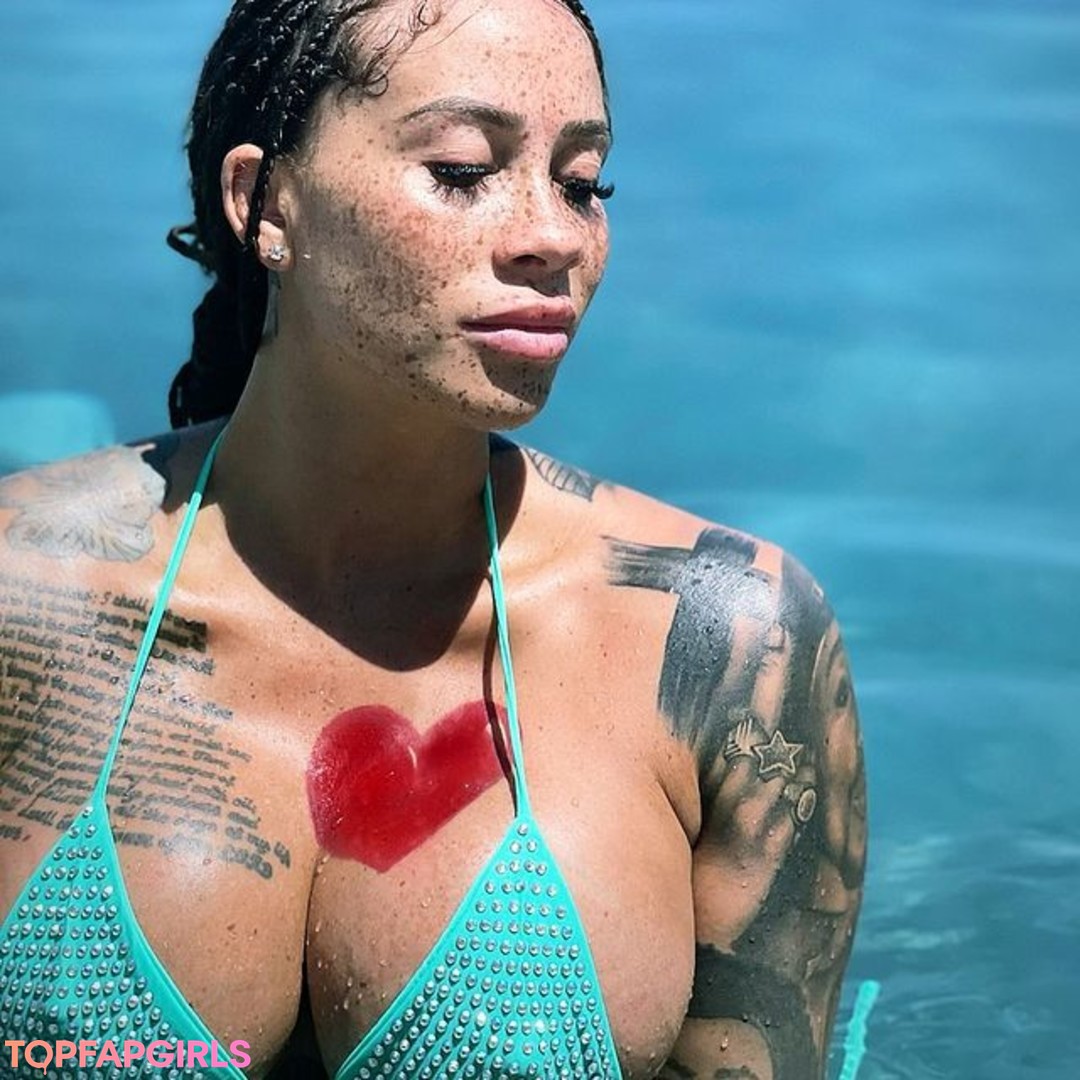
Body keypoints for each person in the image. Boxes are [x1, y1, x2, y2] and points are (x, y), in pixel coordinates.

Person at [0, 1, 867, 1077]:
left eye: (583, 182)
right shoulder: (23, 595)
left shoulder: (728, 646)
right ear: (264, 202)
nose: (555, 236)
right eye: (462, 170)